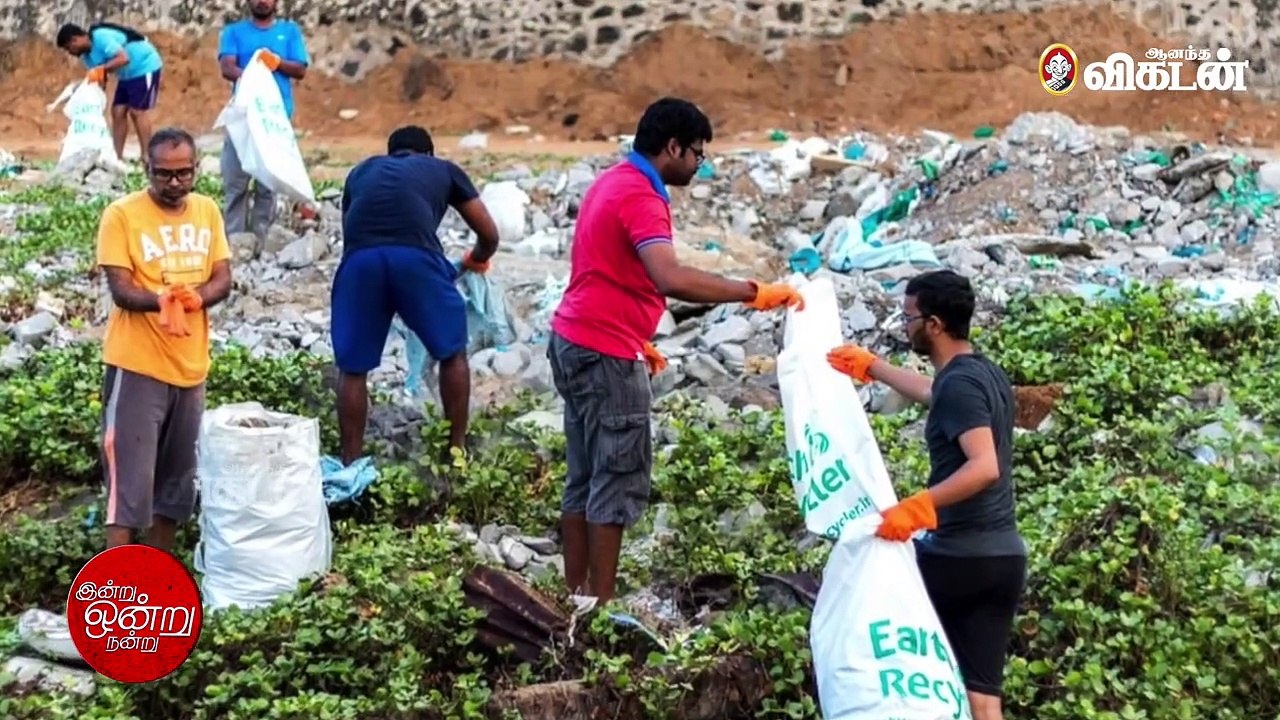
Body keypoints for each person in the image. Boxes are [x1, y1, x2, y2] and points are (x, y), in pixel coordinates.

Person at [547, 97, 805, 604]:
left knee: (583, 476)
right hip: (604, 349)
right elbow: (670, 276)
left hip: (574, 337)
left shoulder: (612, 180)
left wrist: (637, 332)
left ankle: (572, 598)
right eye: (697, 155)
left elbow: (606, 268)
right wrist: (753, 292)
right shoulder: (643, 195)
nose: (698, 164)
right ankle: (599, 607)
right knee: (615, 478)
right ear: (672, 148)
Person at [825, 269, 1025, 720]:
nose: (904, 323)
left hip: (959, 558)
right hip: (1003, 558)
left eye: (909, 315)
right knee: (983, 700)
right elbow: (937, 393)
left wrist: (917, 507)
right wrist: (872, 366)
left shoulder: (960, 383)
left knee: (879, 641)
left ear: (934, 324)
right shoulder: (985, 375)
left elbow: (984, 466)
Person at [95, 127, 233, 552]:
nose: (175, 184)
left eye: (184, 174)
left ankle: (157, 578)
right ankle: (118, 583)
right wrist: (162, 300)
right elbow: (121, 289)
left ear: (196, 169)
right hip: (138, 365)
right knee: (128, 487)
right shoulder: (121, 215)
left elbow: (223, 279)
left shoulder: (207, 211)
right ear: (147, 169)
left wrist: (196, 297)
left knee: (174, 484)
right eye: (164, 175)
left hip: (191, 369)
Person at [331, 125, 501, 467]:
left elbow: (352, 228)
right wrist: (476, 260)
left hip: (360, 264)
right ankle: (456, 451)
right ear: (429, 154)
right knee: (452, 354)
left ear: (390, 152)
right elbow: (489, 233)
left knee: (352, 369)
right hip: (415, 259)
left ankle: (351, 461)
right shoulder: (443, 170)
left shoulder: (360, 171)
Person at [216, 0, 310, 239]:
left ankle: (262, 237)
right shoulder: (234, 32)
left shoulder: (289, 32)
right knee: (235, 182)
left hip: (273, 120)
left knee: (268, 184)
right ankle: (234, 239)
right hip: (243, 117)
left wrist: (277, 63)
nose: (262, 1)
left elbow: (299, 69)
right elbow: (227, 67)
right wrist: (252, 77)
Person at [55, 21, 164, 163]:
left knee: (137, 111)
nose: (70, 52)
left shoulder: (100, 37)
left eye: (69, 48)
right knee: (117, 112)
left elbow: (123, 58)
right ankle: (117, 156)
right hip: (126, 76)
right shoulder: (87, 58)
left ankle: (147, 155)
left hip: (144, 67)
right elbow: (100, 78)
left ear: (75, 39)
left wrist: (100, 70)